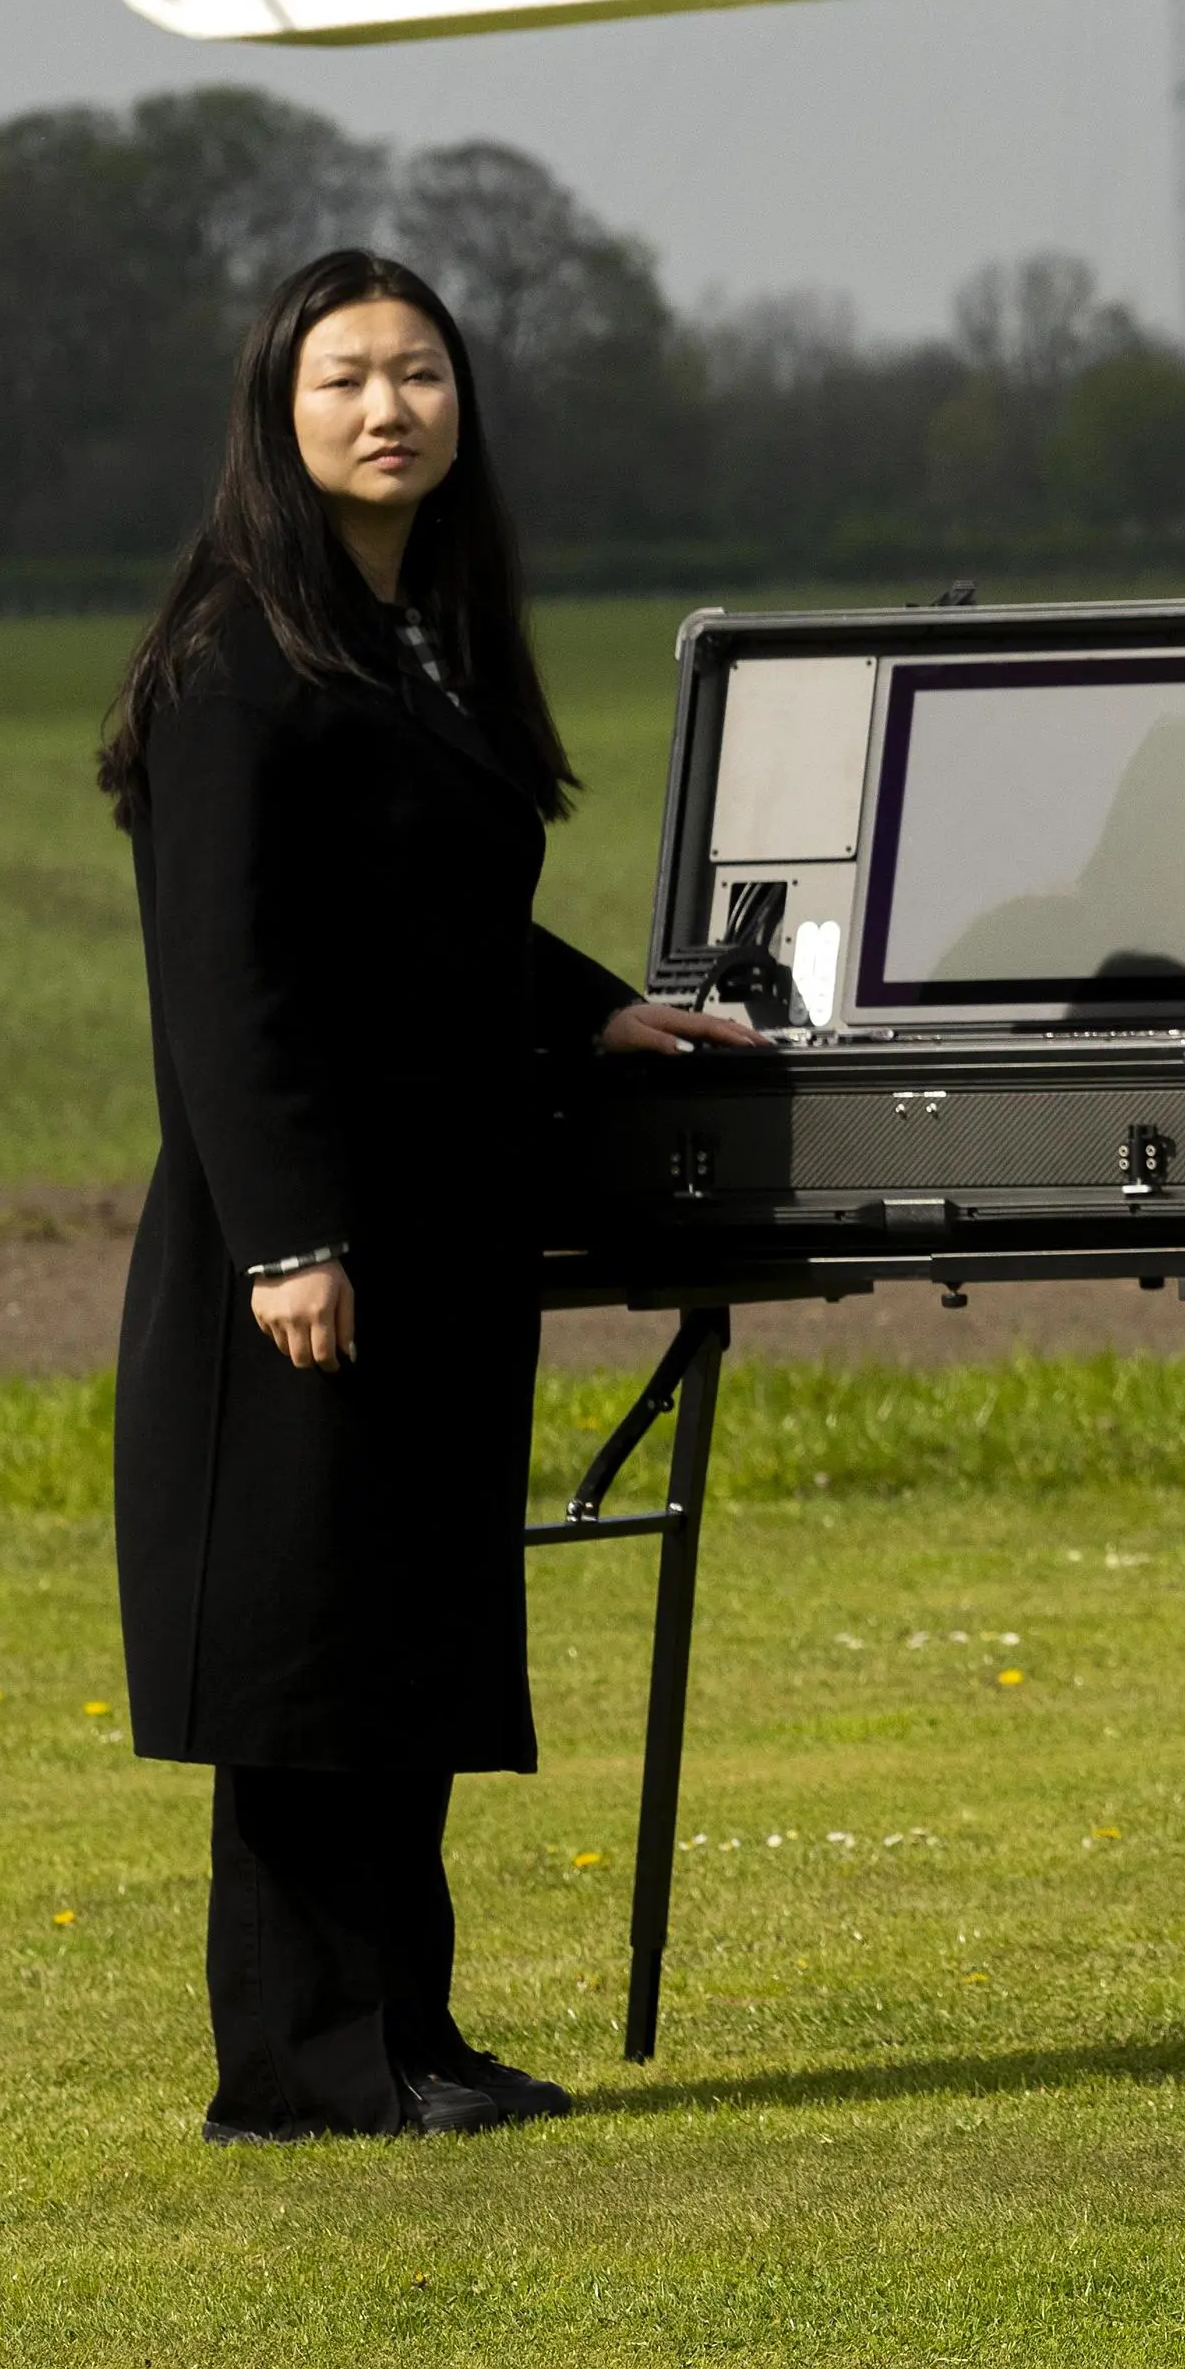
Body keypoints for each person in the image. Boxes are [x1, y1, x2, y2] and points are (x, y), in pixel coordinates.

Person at [96, 248, 743, 2145]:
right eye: (346, 382)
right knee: (307, 1653)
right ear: (278, 420)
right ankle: (304, 2069)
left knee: (399, 1635)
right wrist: (288, 1237)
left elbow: (439, 919)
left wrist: (602, 1013)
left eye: (422, 377)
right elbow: (225, 981)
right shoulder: (235, 658)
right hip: (305, 1248)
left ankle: (412, 2035)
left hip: (446, 1230)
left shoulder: (414, 633)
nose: (391, 409)